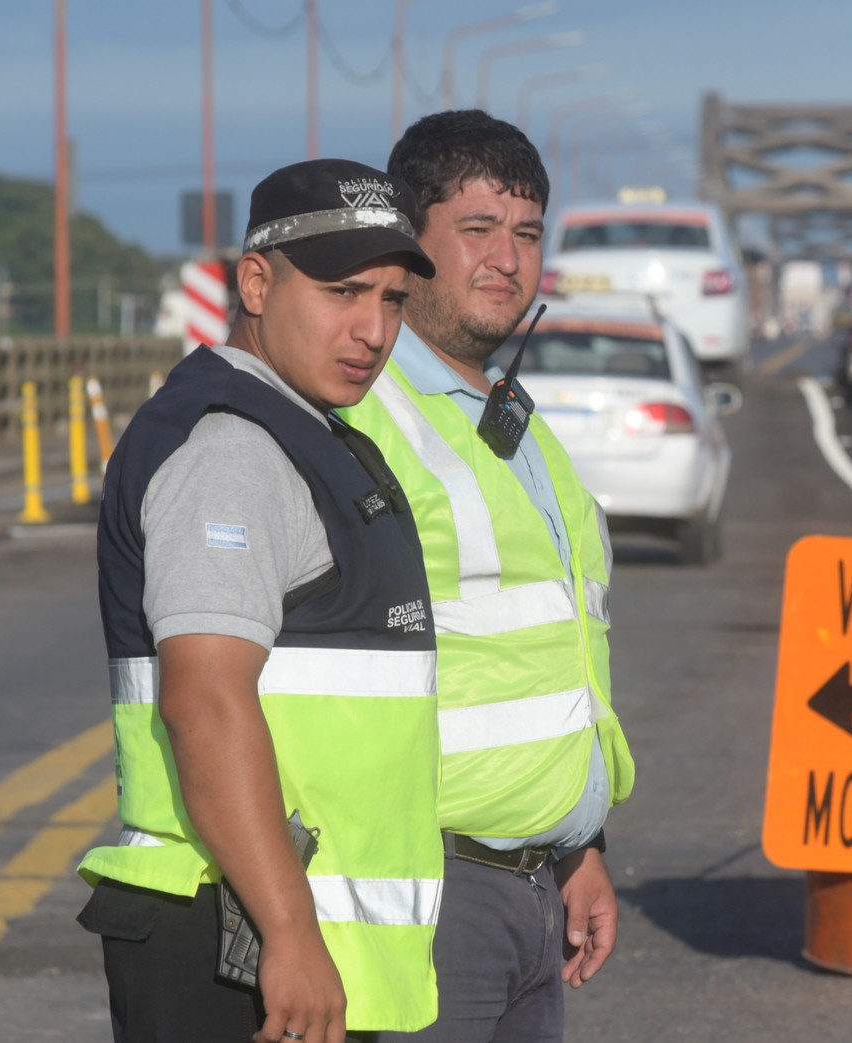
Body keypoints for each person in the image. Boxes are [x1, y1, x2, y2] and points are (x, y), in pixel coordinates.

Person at [76, 159, 444, 1042]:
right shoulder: (233, 448)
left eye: (393, 299)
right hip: (229, 936)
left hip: (270, 921)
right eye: (343, 291)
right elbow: (205, 698)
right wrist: (288, 929)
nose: (373, 329)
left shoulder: (306, 428)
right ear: (254, 281)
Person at [340, 110, 636, 1042]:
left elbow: (547, 658)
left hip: (530, 887)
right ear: (409, 245)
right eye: (476, 230)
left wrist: (578, 844)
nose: (506, 259)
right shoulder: (365, 413)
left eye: (527, 233)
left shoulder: (512, 423)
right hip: (429, 890)